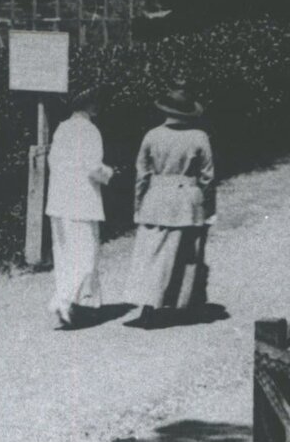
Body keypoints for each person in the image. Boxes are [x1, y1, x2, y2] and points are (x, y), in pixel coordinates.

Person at [124, 87, 216, 327]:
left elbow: (142, 175)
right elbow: (208, 176)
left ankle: (148, 305)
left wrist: (138, 204)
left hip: (156, 199)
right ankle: (183, 305)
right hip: (188, 200)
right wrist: (207, 206)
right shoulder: (199, 136)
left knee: (152, 253)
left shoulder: (152, 136)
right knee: (188, 254)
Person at [45, 88, 115, 329]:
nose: (98, 108)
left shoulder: (62, 128)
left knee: (65, 257)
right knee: (85, 256)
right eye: (95, 104)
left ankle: (78, 306)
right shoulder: (90, 130)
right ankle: (64, 302)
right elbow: (93, 166)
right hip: (81, 202)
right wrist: (109, 174)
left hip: (59, 201)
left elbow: (53, 162)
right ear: (89, 107)